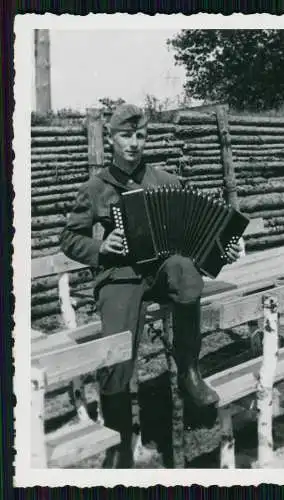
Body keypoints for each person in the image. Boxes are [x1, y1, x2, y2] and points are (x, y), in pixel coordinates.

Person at [60, 104, 244, 467]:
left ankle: (190, 371)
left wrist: (226, 248)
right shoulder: (96, 188)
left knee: (184, 270)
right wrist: (101, 246)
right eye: (126, 136)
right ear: (112, 139)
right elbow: (69, 237)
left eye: (140, 136)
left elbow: (199, 234)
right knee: (116, 350)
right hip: (120, 276)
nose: (133, 143)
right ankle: (119, 442)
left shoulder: (166, 182)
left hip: (160, 273)